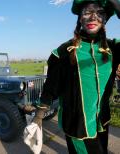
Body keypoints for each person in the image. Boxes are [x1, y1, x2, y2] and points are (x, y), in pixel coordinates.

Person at [27, 0, 120, 153]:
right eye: (87, 12)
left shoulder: (113, 48)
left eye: (99, 13)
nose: (92, 17)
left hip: (101, 120)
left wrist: (117, 5)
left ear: (105, 20)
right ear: (80, 18)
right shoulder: (64, 51)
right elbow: (51, 86)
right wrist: (38, 116)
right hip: (76, 124)